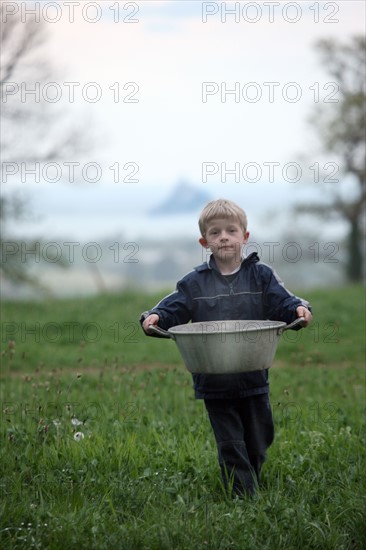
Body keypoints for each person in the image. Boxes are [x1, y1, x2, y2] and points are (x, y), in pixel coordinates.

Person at [140, 198, 312, 497]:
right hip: (213, 376)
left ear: (244, 236)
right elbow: (172, 307)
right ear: (205, 241)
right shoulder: (194, 282)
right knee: (230, 441)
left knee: (259, 438)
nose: (223, 237)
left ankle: (252, 477)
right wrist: (155, 317)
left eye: (231, 231)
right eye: (215, 232)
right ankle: (243, 497)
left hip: (253, 373)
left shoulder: (261, 276)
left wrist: (298, 309)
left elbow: (284, 300)